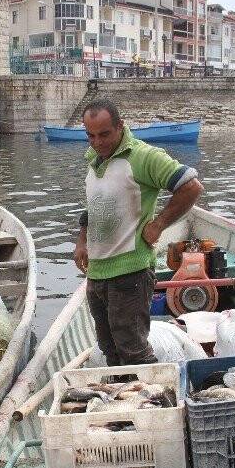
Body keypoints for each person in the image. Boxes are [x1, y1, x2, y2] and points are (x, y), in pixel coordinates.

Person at [74, 99, 204, 367]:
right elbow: (94, 205)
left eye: (104, 134)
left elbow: (191, 187)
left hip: (130, 272)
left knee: (133, 349)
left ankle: (155, 392)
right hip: (97, 272)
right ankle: (122, 391)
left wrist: (159, 224)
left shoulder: (143, 156)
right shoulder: (94, 159)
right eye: (91, 136)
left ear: (120, 126)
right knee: (109, 349)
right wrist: (82, 240)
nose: (97, 142)